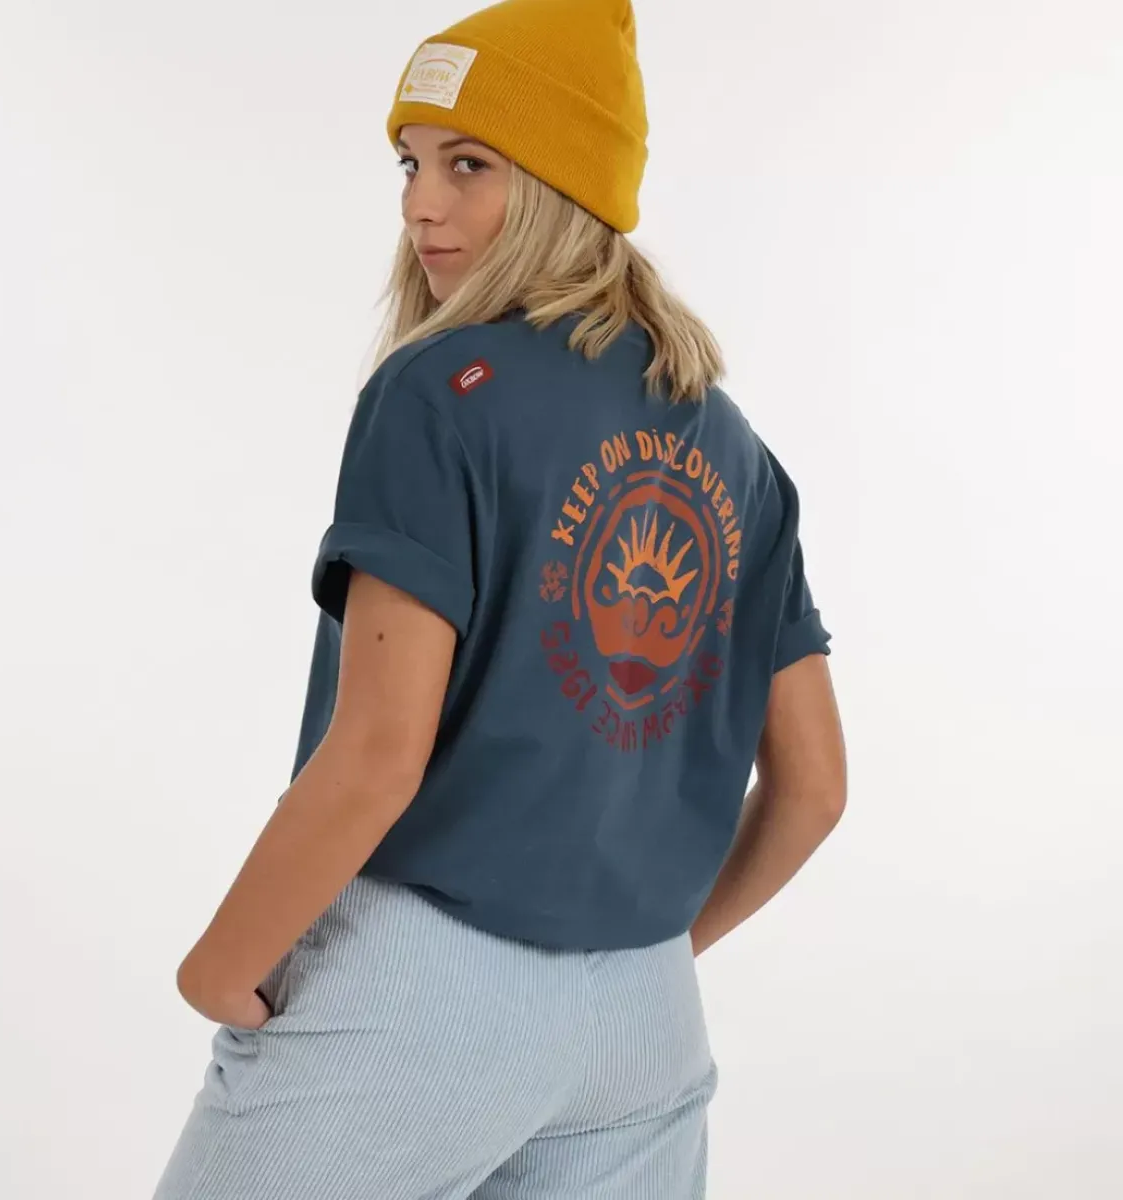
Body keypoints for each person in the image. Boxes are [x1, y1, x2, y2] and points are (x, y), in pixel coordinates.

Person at [153, 0, 846, 1196]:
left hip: (418, 999)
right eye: (410, 164)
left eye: (469, 165)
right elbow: (817, 790)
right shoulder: (736, 449)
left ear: (566, 182)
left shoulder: (440, 390)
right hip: (643, 1026)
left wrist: (219, 966)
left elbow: (379, 754)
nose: (422, 205)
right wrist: (642, 963)